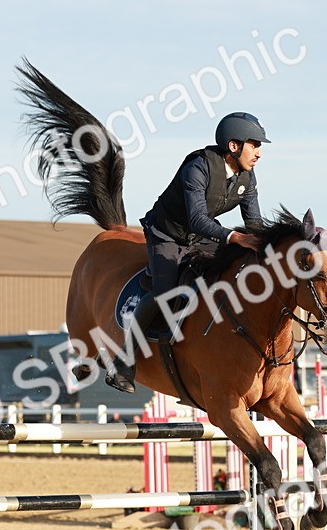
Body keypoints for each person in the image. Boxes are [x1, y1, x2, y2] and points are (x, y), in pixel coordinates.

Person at [108, 112, 269, 392]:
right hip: (167, 234)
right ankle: (124, 361)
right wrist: (234, 237)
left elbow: (254, 224)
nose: (259, 153)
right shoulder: (198, 167)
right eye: (254, 145)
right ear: (234, 146)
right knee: (165, 292)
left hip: (201, 237)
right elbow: (197, 219)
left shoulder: (248, 177)